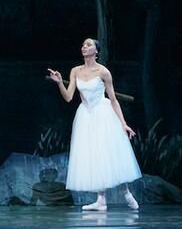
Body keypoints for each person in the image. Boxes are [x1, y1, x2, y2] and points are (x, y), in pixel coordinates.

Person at [47, 38, 142, 211]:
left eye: (88, 45)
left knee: (110, 153)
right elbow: (69, 97)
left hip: (102, 112)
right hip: (85, 114)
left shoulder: (103, 72)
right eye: (83, 44)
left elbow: (113, 100)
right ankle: (101, 200)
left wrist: (123, 123)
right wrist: (60, 82)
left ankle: (126, 192)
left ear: (96, 51)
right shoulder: (75, 70)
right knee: (93, 154)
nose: (84, 47)